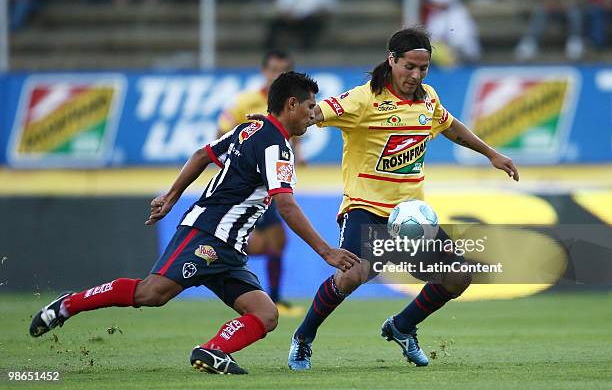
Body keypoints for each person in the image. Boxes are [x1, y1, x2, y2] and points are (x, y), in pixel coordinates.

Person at [29, 72, 360, 375]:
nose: (312, 114)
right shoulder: (276, 145)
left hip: (229, 247)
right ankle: (68, 304)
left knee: (266, 314)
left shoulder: (252, 129)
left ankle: (213, 351)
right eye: (310, 106)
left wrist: (174, 194)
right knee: (152, 293)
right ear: (291, 105)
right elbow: (286, 205)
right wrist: (326, 251)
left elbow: (203, 155)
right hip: (207, 233)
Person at [285, 27, 519, 370]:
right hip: (364, 208)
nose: (416, 75)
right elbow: (315, 114)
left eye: (423, 68)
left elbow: (450, 125)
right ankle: (303, 338)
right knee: (351, 276)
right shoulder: (362, 99)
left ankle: (402, 326)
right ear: (391, 59)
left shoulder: (427, 99)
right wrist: (277, 126)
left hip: (409, 216)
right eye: (409, 66)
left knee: (458, 276)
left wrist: (491, 154)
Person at [217, 50, 304, 317]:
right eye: (273, 69)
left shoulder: (292, 103)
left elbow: (293, 136)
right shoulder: (247, 101)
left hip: (271, 183)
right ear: (264, 71)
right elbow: (222, 133)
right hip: (250, 185)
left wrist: (298, 157)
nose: (277, 74)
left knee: (277, 240)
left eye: (283, 69)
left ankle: (273, 298)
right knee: (261, 241)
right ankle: (218, 265)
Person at [515, 0, 595, 61]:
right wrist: (558, 4)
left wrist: (569, 4)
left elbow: (586, 0)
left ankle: (575, 42)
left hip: (580, 10)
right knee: (542, 10)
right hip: (559, 9)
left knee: (575, 12)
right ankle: (530, 43)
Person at [264, 0, 338, 50]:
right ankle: (269, 50)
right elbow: (282, 6)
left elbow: (330, 6)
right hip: (292, 19)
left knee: (311, 24)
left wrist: (319, 13)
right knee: (275, 24)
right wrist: (288, 16)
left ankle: (305, 51)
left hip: (312, 19)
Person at [424, 0, 481, 67]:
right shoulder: (436, 16)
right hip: (443, 56)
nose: (434, 3)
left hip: (463, 56)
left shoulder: (460, 15)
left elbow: (462, 41)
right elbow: (431, 36)